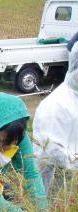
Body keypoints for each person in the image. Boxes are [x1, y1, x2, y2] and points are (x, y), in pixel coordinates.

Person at [33, 43, 78, 197]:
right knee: (54, 209)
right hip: (55, 179)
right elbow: (52, 151)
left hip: (71, 176)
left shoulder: (75, 97)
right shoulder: (55, 106)